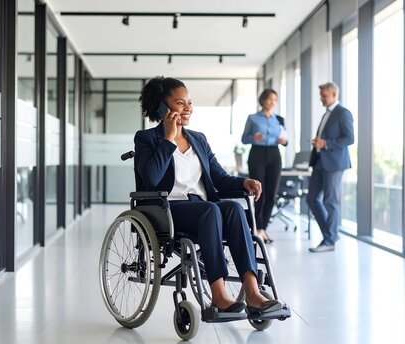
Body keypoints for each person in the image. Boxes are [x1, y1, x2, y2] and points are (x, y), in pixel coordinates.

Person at [135, 76, 282, 314]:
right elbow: (150, 178)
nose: (188, 108)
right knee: (211, 209)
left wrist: (244, 182)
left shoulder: (198, 139)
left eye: (189, 103)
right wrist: (169, 139)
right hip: (168, 210)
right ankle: (218, 295)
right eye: (180, 103)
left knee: (233, 209)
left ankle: (253, 292)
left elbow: (219, 179)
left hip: (202, 209)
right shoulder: (147, 139)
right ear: (163, 107)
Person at [307, 82, 354, 253]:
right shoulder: (327, 113)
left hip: (334, 163)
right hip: (320, 161)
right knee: (311, 199)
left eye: (324, 95)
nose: (321, 98)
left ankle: (329, 240)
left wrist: (326, 143)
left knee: (330, 201)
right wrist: (318, 143)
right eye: (321, 95)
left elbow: (349, 138)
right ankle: (331, 233)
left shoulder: (343, 113)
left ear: (334, 95)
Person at [241, 89, 288, 244]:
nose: (272, 102)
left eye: (275, 99)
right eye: (269, 99)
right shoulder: (253, 118)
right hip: (257, 154)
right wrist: (253, 137)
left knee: (272, 193)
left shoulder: (280, 120)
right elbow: (244, 139)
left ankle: (263, 228)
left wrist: (284, 141)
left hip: (275, 154)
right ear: (263, 101)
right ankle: (257, 228)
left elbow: (286, 140)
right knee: (258, 191)